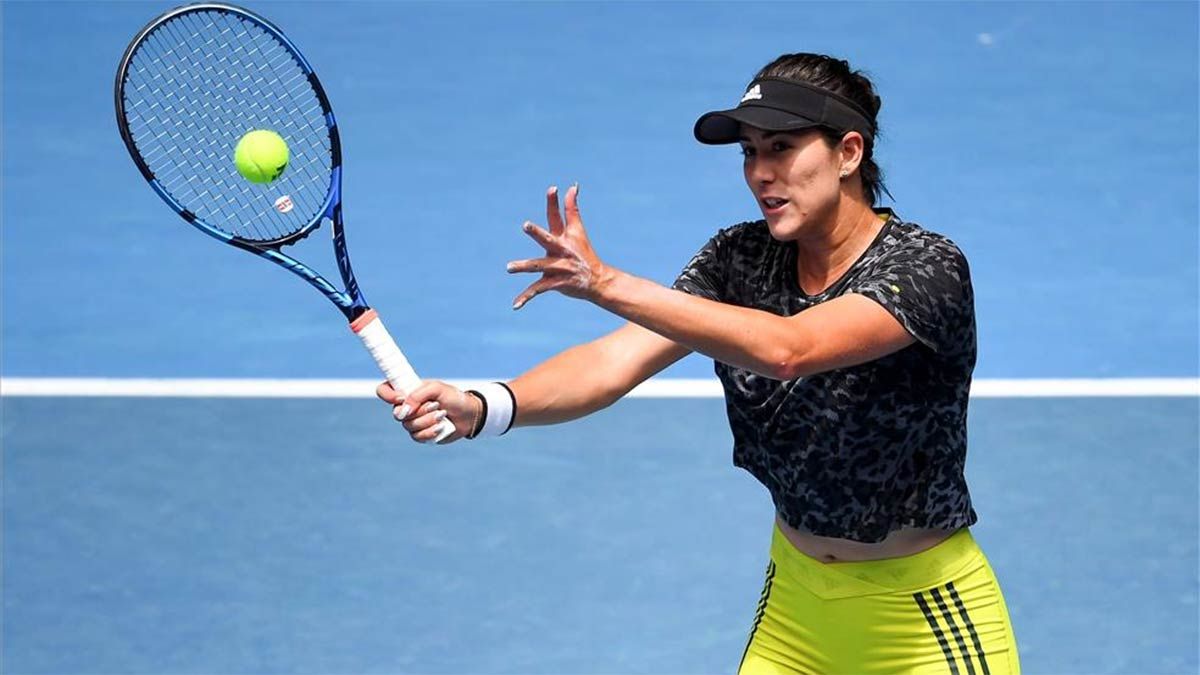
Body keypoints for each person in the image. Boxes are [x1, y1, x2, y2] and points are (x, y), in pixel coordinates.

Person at [378, 52, 1021, 674]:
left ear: (848, 153)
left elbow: (789, 349)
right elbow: (614, 360)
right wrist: (487, 405)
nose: (760, 173)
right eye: (749, 152)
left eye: (781, 148)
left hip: (924, 625)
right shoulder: (739, 258)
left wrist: (603, 282)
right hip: (795, 614)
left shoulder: (926, 268)